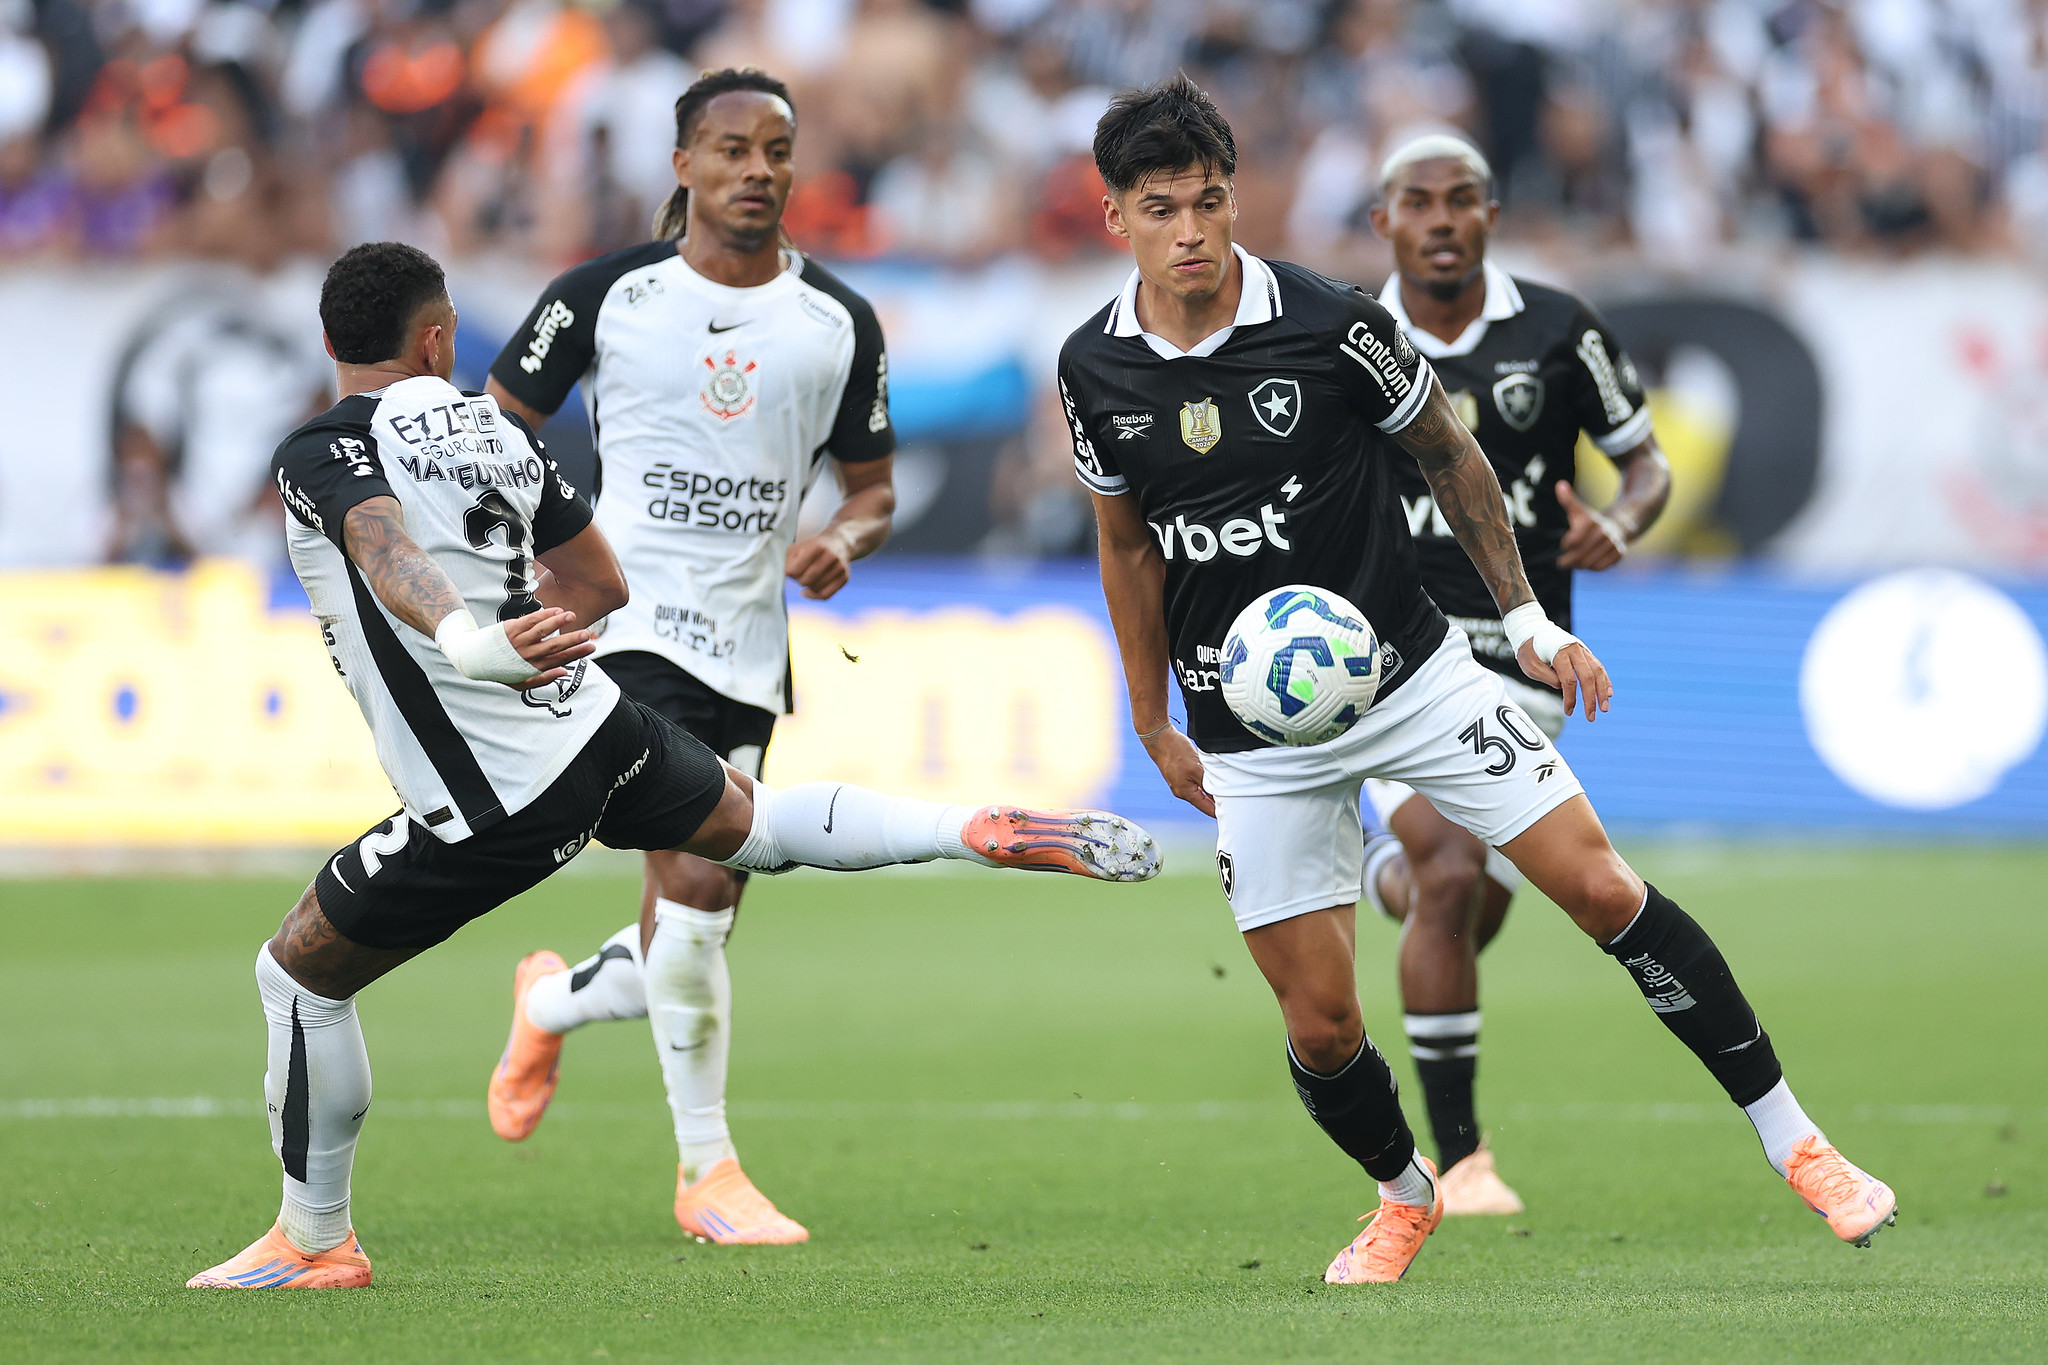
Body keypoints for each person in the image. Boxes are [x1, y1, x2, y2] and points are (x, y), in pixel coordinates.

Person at [186, 241, 1159, 1290]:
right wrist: (533, 635)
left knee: (297, 974)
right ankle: (966, 829)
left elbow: (382, 545)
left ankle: (316, 1238)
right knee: (759, 824)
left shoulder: (321, 448)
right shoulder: (496, 435)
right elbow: (599, 581)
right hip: (599, 727)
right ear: (438, 340)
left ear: (332, 343)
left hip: (491, 796)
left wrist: (474, 646)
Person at [1061, 77, 1894, 1286]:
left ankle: (1800, 1146)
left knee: (1601, 888)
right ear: (1114, 220)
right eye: (1159, 208)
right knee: (1319, 1024)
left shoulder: (1333, 324)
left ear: (1236, 200)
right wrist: (1146, 713)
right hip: (1249, 728)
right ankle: (1405, 1193)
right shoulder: (1092, 367)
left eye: (1207, 202)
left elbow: (1449, 456)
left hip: (1412, 676)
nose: (1189, 231)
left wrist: (1526, 621)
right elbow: (1125, 543)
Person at [479, 68, 898, 1246]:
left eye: (774, 150)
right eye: (728, 149)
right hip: (627, 629)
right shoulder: (601, 297)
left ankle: (553, 1002)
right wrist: (537, 571)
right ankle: (706, 1174)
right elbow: (490, 434)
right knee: (702, 889)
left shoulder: (837, 322)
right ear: (682, 166)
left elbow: (873, 490)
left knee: (688, 924)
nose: (754, 169)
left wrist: (841, 540)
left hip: (747, 650)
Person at [1355, 132, 1673, 1216]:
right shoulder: (1343, 337)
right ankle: (1460, 1157)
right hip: (1392, 652)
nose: (1439, 219)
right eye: (1417, 202)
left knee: (1460, 900)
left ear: (1491, 213)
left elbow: (1645, 460)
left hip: (1524, 649)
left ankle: (1384, 877)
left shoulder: (1558, 328)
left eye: (1460, 200)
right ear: (1382, 222)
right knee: (1452, 875)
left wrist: (1621, 524)